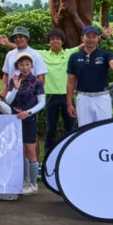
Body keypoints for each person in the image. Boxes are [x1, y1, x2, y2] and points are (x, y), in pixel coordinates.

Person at [66, 25, 113, 127]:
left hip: (102, 98)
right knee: (84, 130)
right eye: (88, 36)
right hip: (83, 98)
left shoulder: (105, 54)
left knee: (104, 129)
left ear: (98, 38)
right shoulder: (74, 57)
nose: (91, 39)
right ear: (82, 38)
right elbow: (70, 82)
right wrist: (69, 103)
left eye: (94, 37)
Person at [6, 53, 46, 195]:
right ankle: (24, 181)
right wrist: (16, 88)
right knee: (20, 151)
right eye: (21, 64)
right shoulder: (14, 80)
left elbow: (42, 103)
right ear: (17, 66)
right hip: (15, 118)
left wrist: (28, 112)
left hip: (29, 118)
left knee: (30, 151)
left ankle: (33, 184)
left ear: (32, 66)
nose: (24, 67)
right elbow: (8, 101)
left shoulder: (36, 82)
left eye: (27, 64)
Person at [38, 29, 80, 158]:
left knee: (70, 127)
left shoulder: (69, 53)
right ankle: (48, 156)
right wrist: (8, 44)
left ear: (62, 41)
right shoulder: (42, 54)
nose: (55, 41)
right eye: (52, 39)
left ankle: (72, 153)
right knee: (51, 128)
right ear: (49, 42)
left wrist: (102, 36)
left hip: (67, 97)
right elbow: (25, 49)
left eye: (57, 38)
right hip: (50, 96)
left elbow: (87, 44)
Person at [0, 26, 47, 100]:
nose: (18, 39)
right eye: (15, 37)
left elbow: (41, 78)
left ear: (27, 38)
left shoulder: (36, 55)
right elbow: (6, 74)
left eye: (21, 36)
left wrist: (35, 94)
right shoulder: (9, 54)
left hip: (29, 97)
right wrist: (4, 89)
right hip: (12, 95)